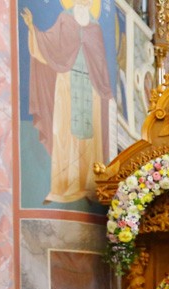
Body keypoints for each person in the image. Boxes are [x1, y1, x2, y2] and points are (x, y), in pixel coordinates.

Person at [23, 0, 112, 203]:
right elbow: (50, 45)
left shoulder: (96, 27)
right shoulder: (65, 18)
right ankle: (62, 188)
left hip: (91, 88)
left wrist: (105, 89)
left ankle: (90, 187)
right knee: (63, 132)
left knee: (91, 139)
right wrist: (32, 29)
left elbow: (100, 63)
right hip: (67, 84)